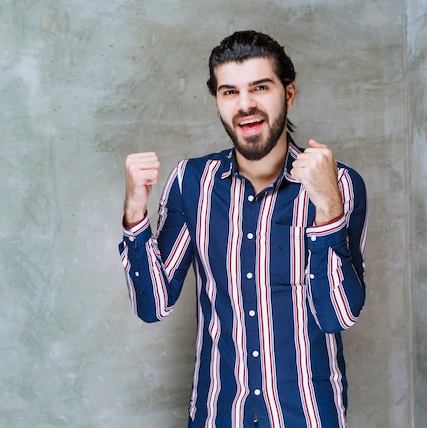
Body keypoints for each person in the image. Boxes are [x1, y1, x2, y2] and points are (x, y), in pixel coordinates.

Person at [118, 30, 367, 428]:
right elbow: (152, 305)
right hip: (218, 414)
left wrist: (327, 206)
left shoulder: (340, 184)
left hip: (308, 415)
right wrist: (134, 210)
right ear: (217, 101)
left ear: (289, 93)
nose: (245, 104)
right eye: (229, 92)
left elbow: (338, 314)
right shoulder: (191, 183)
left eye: (260, 87)